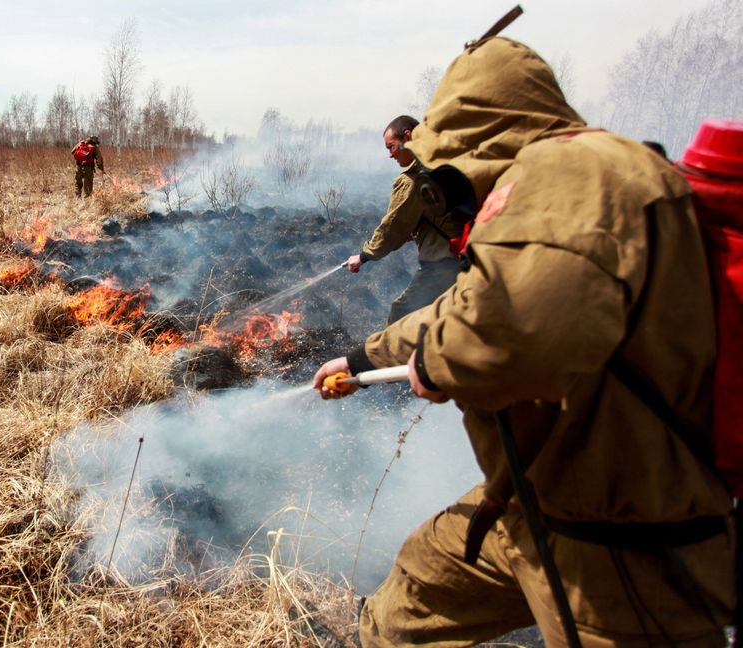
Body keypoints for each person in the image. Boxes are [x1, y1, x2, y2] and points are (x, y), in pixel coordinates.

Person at [314, 37, 736, 647]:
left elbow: (514, 336)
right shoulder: (548, 191)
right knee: (416, 592)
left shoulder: (574, 174)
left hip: (624, 539)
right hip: (534, 503)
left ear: (480, 135)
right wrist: (362, 359)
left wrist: (436, 365)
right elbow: (471, 306)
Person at [347, 115, 471, 325]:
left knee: (402, 314)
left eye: (391, 147)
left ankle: (396, 357)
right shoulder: (442, 162)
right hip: (468, 257)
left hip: (443, 262)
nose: (389, 155)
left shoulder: (413, 180)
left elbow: (393, 228)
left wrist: (363, 256)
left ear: (407, 136)